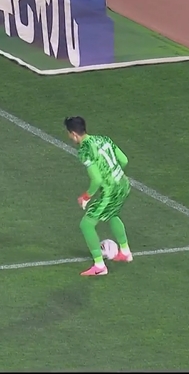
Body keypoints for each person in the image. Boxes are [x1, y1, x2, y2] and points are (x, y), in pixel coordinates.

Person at [64, 116, 133, 276]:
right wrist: (114, 176)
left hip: (110, 191)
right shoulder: (103, 139)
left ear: (74, 134)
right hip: (123, 184)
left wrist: (86, 196)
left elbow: (97, 180)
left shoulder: (85, 150)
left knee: (86, 225)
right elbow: (124, 160)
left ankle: (100, 266)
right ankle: (125, 252)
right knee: (112, 214)